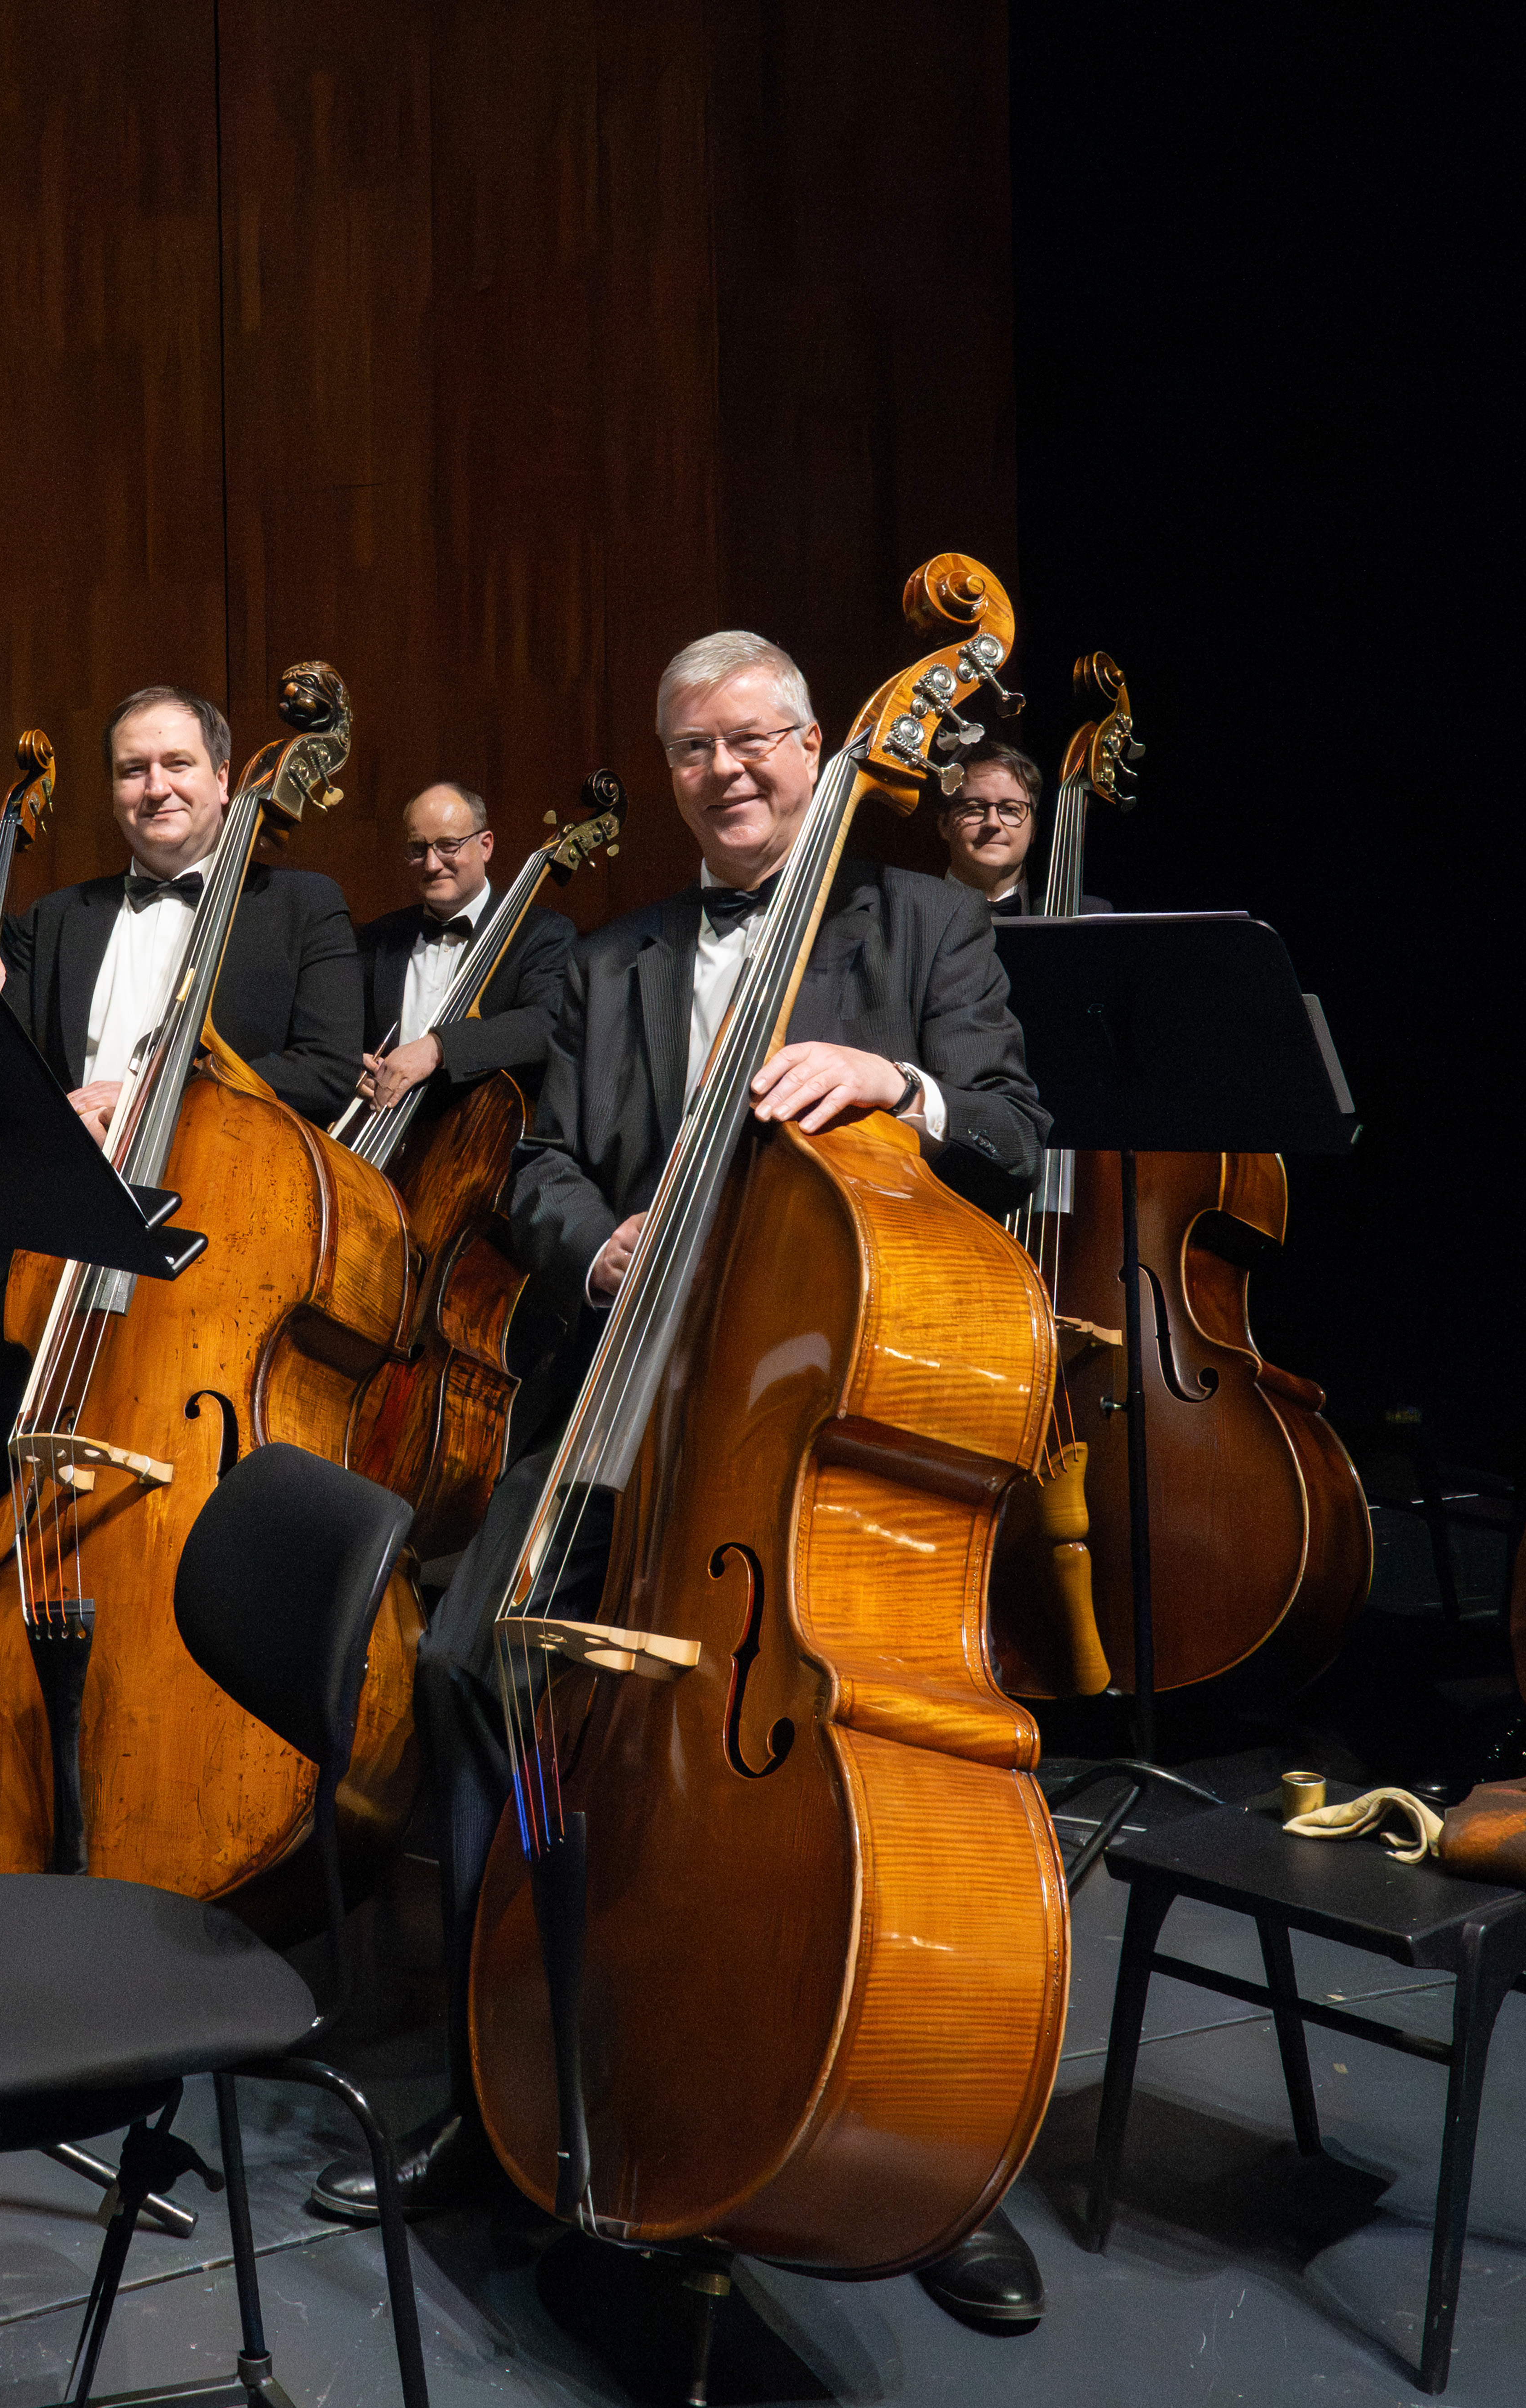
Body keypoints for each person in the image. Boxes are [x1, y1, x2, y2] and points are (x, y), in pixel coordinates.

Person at [317, 630, 1056, 2337]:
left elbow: (1012, 1127)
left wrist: (895, 1081)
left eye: (752, 741)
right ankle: (500, 2079)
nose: (724, 771)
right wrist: (596, 1249)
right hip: (626, 1404)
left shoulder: (918, 923)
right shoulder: (613, 957)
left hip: (819, 1425)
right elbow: (544, 1173)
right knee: (466, 1669)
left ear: (816, 747)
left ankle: (917, 2156)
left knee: (874, 1750)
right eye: (690, 750)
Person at [0, 687, 362, 1132]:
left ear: (222, 778)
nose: (156, 788)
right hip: (78, 1183)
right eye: (132, 770)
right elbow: (8, 1080)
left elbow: (326, 1070)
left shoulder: (303, 906)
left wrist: (150, 1093)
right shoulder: (53, 918)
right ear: (112, 792)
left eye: (177, 764)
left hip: (226, 1177)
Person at [349, 781, 575, 1118]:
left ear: (485, 846)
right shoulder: (379, 937)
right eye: (417, 848)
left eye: (448, 846)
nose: (431, 864)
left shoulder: (542, 933)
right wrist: (355, 1067)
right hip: (381, 1137)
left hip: (479, 1145)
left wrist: (439, 1047)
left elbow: (546, 1024)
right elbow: (345, 1034)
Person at [936, 743, 1048, 921]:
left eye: (1010, 810)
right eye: (974, 809)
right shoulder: (905, 917)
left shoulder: (1087, 912)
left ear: (1034, 829)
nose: (993, 823)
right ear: (944, 824)